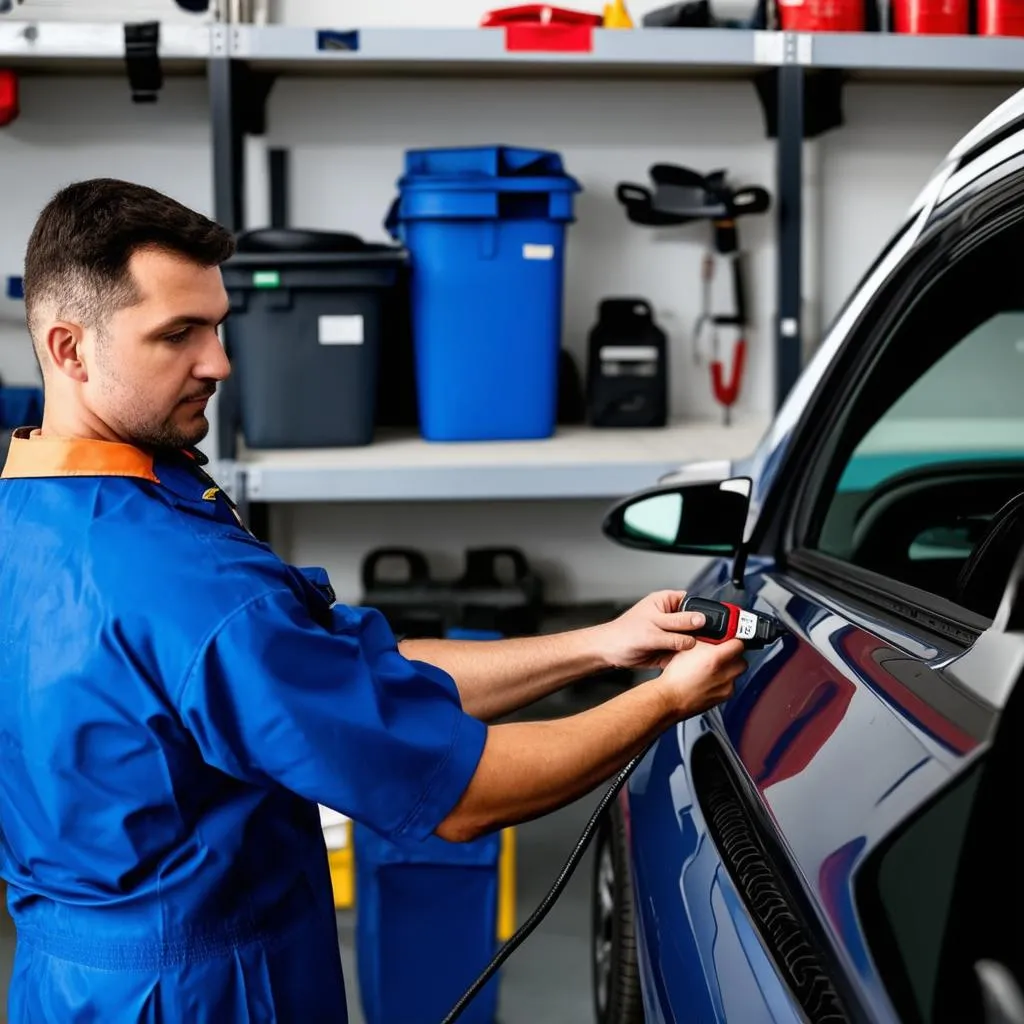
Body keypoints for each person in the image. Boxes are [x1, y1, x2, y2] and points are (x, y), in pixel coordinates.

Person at [0, 178, 746, 1022]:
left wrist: (602, 646)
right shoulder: (190, 587)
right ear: (69, 348)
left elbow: (350, 679)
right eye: (178, 335)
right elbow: (469, 797)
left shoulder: (28, 515)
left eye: (216, 325)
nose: (219, 362)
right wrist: (665, 703)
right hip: (203, 995)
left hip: (60, 988)